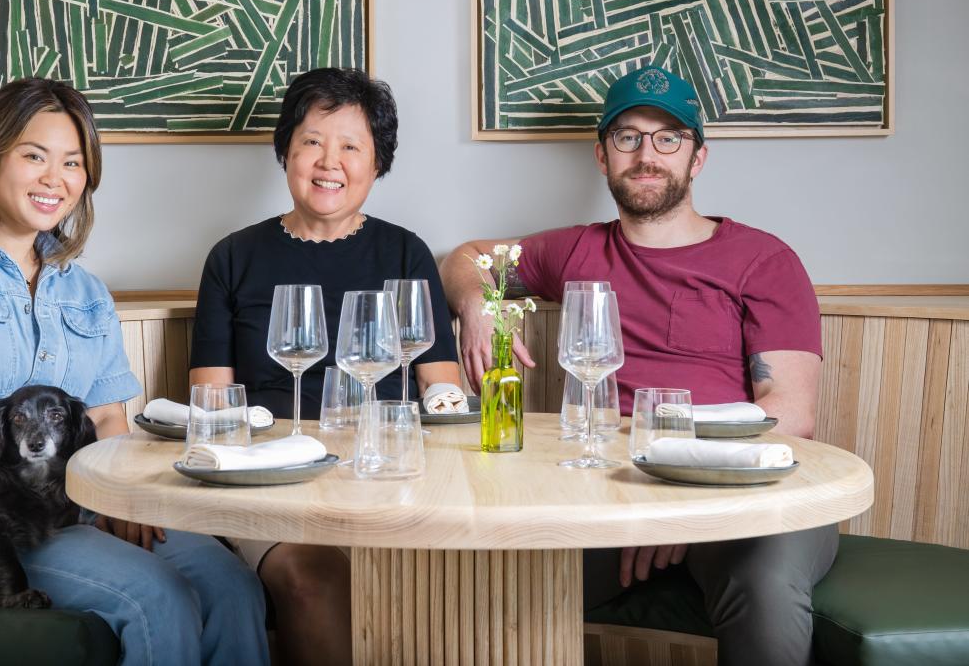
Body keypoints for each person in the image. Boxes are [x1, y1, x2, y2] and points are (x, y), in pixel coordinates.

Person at [0, 78, 267, 666]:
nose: (55, 178)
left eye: (72, 162)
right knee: (157, 596)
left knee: (231, 586)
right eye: (34, 156)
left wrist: (128, 506)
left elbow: (107, 415)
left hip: (81, 507)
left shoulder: (85, 291)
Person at [440, 65, 832, 666]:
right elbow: (467, 258)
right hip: (604, 492)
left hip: (744, 493)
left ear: (696, 158)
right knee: (487, 586)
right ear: (602, 156)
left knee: (764, 590)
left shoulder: (764, 259)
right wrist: (477, 303)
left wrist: (681, 496)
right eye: (627, 137)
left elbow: (790, 415)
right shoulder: (574, 250)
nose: (647, 154)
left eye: (668, 137)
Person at [189, 67, 464, 666]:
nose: (328, 161)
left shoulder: (404, 252)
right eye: (312, 141)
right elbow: (212, 407)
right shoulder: (233, 257)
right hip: (269, 486)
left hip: (385, 479)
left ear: (377, 163)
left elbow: (441, 388)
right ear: (286, 149)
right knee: (314, 578)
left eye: (350, 146)